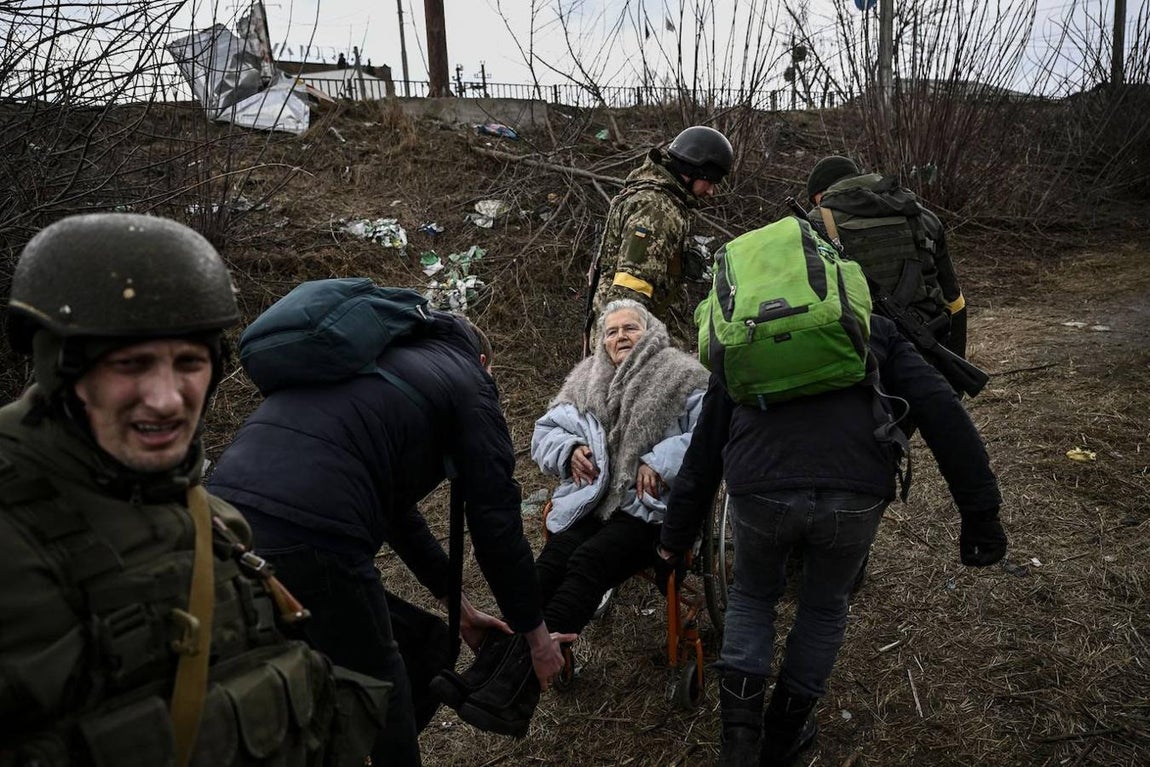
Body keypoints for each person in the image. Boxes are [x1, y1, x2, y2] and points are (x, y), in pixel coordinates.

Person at [0, 213, 385, 766]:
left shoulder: (216, 523)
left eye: (189, 363)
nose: (167, 398)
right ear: (62, 371)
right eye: (129, 365)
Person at [206, 307, 568, 763]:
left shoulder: (377, 368)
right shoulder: (468, 382)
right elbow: (496, 523)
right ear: (482, 362)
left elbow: (398, 514)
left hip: (220, 521)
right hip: (313, 533)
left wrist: (461, 609)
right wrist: (537, 638)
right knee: (383, 685)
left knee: (428, 643)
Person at [659, 314, 1007, 767]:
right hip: (855, 488)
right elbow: (942, 409)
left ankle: (740, 744)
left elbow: (705, 448)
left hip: (761, 483)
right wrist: (979, 512)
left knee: (751, 597)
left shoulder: (745, 333)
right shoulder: (871, 325)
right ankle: (783, 737)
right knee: (824, 606)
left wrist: (674, 537)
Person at [434, 299, 708, 731]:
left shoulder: (684, 374)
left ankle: (515, 684)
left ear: (651, 332)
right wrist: (569, 450)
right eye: (611, 331)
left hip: (646, 509)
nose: (620, 337)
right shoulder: (586, 379)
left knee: (587, 563)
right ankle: (487, 673)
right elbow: (545, 432)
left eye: (630, 328)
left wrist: (661, 460)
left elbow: (708, 438)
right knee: (548, 567)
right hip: (593, 501)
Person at [805, 155, 968, 361]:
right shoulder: (921, 214)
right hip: (926, 346)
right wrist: (955, 369)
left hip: (855, 350)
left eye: (816, 202)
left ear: (822, 194)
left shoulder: (812, 226)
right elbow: (954, 300)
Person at [587, 125, 734, 350]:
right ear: (695, 171)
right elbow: (630, 290)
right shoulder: (657, 208)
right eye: (711, 181)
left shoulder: (657, 200)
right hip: (642, 351)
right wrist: (626, 357)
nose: (711, 191)